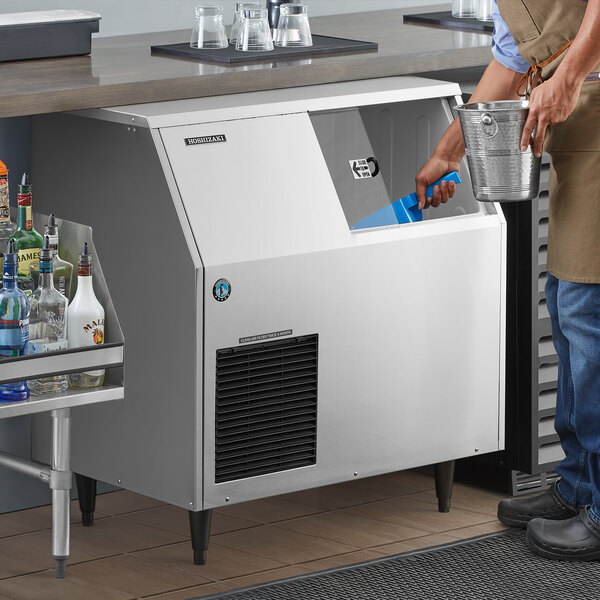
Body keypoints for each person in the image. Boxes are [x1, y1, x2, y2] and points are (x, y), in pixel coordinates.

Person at [416, 0, 600, 560]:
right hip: (583, 120)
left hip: (590, 98)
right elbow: (513, 59)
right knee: (568, 308)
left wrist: (567, 77)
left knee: (586, 312)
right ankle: (578, 486)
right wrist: (448, 154)